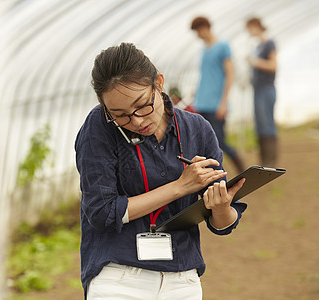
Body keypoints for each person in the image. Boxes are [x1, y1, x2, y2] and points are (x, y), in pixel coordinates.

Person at [75, 42, 247, 299]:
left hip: (182, 278)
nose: (137, 120)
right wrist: (180, 187)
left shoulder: (196, 129)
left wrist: (221, 207)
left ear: (159, 83)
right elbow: (101, 212)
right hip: (119, 277)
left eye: (142, 105)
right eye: (120, 114)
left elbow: (222, 225)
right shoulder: (99, 126)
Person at [190, 16, 246, 173]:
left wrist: (224, 103)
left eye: (198, 31)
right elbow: (206, 76)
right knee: (203, 142)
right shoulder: (204, 50)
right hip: (202, 103)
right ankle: (210, 175)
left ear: (205, 28)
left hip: (216, 104)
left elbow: (230, 74)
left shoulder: (223, 46)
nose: (197, 36)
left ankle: (241, 168)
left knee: (220, 141)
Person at [246, 17, 278, 167]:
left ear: (256, 26)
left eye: (250, 28)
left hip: (266, 89)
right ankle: (264, 160)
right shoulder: (257, 47)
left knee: (267, 124)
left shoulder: (269, 44)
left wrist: (254, 62)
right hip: (257, 89)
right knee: (260, 125)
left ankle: (270, 160)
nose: (248, 32)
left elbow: (273, 65)